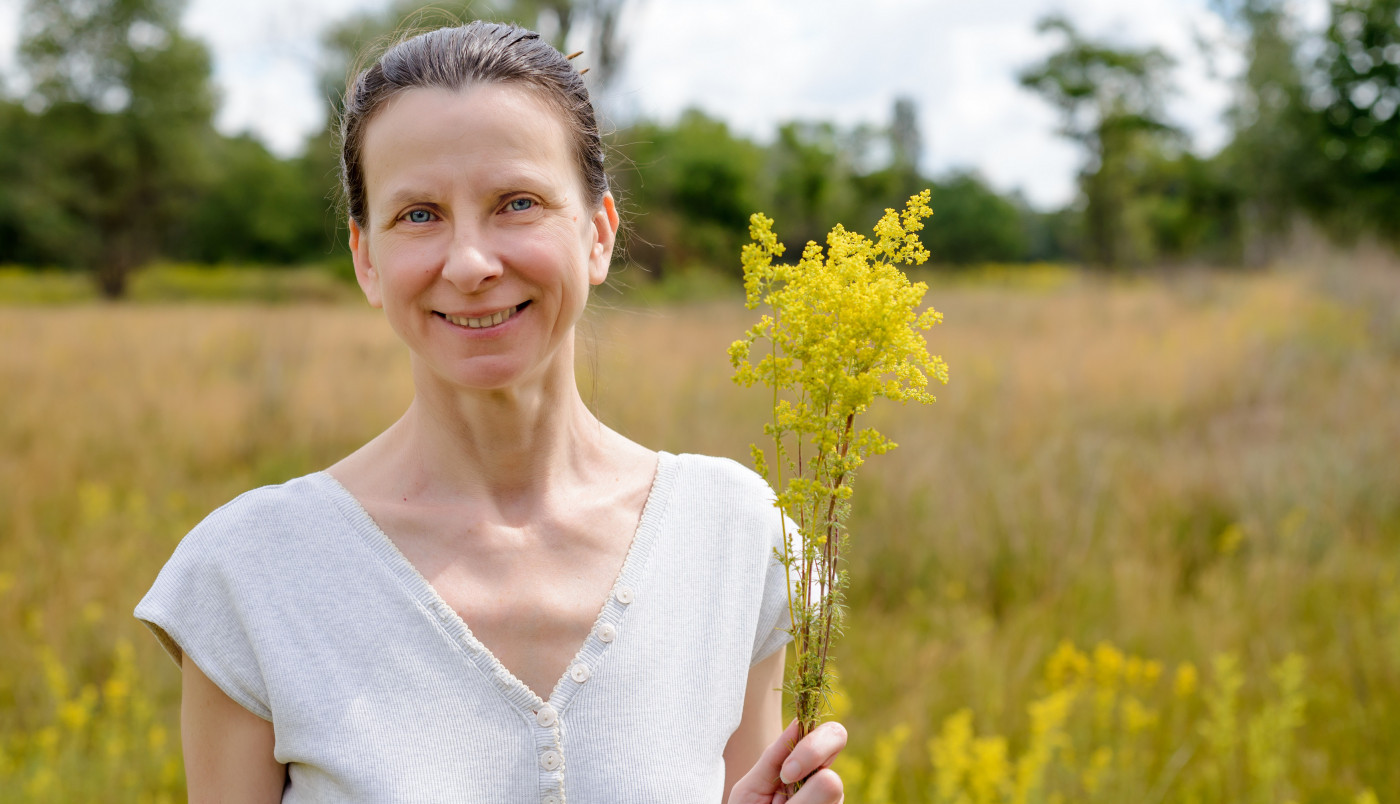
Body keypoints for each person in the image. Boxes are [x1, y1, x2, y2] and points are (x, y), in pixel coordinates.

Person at [134, 21, 847, 803]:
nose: (471, 263)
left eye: (517, 203)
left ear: (599, 235)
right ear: (366, 258)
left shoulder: (737, 536)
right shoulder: (254, 572)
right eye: (418, 215)